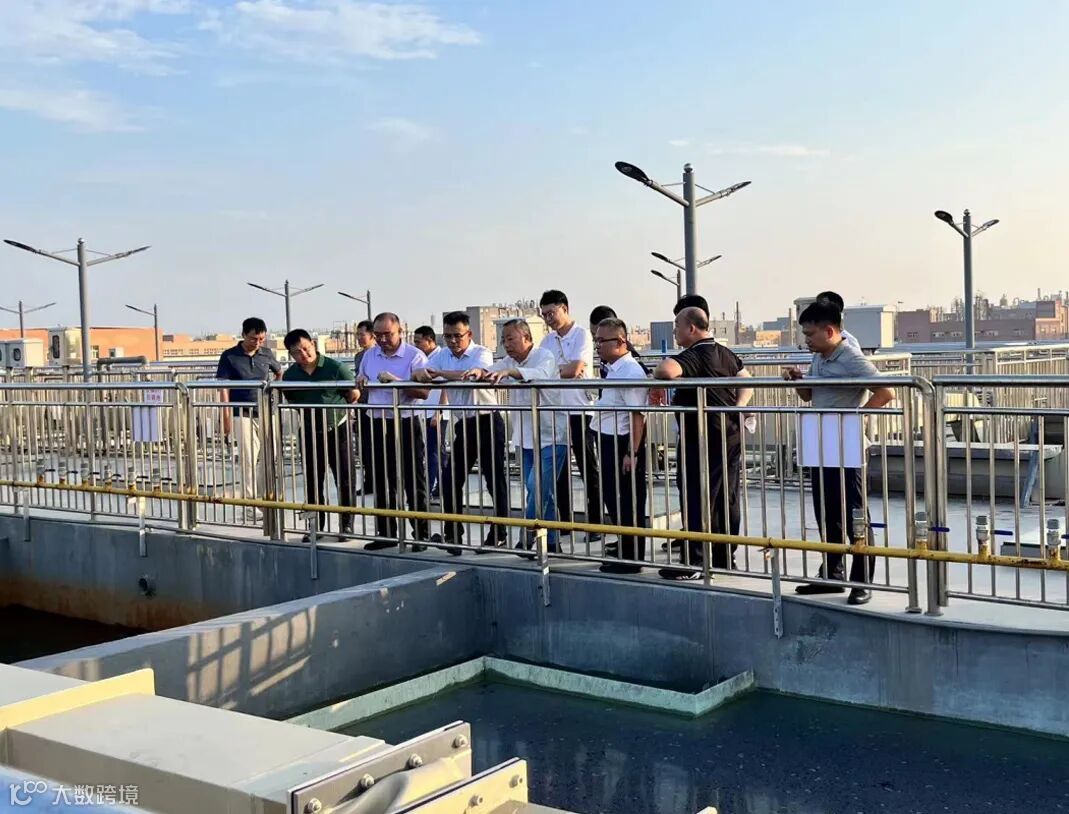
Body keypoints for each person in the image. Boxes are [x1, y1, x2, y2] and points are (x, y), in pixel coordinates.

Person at [783, 301, 894, 605]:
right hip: (821, 439)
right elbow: (809, 396)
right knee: (826, 511)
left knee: (854, 513)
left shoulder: (851, 357)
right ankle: (832, 573)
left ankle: (862, 581)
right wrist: (798, 380)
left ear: (830, 331)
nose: (806, 340)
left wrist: (854, 418)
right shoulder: (820, 357)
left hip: (845, 441)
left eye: (810, 334)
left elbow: (886, 392)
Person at [654, 307, 754, 580]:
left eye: (677, 325)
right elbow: (746, 379)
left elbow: (664, 370)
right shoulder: (726, 353)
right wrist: (738, 407)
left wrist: (682, 379)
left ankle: (696, 561)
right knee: (726, 496)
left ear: (691, 328)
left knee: (697, 494)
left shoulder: (695, 354)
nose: (674, 331)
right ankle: (724, 556)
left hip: (702, 436)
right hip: (729, 433)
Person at [465, 319, 568, 554]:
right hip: (525, 438)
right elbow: (491, 370)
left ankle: (526, 536)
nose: (506, 344)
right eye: (503, 340)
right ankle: (552, 543)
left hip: (552, 435)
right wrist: (480, 372)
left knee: (536, 487)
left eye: (510, 339)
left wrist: (510, 372)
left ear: (527, 338)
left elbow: (539, 375)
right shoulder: (508, 361)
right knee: (541, 493)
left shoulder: (544, 356)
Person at [416, 311, 508, 554]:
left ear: (469, 334)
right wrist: (422, 374)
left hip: (487, 421)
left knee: (494, 480)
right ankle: (453, 534)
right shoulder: (442, 355)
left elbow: (472, 375)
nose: (453, 341)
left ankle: (499, 534)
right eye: (448, 336)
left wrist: (440, 375)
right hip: (463, 425)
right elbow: (422, 374)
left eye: (457, 335)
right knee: (450, 480)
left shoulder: (481, 353)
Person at [357, 313, 431, 548]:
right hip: (377, 422)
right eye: (378, 335)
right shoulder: (370, 355)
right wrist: (360, 379)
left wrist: (396, 381)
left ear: (400, 332)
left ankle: (421, 534)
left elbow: (424, 392)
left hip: (405, 422)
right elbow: (362, 381)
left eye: (387, 334)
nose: (382, 339)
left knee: (413, 479)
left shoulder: (415, 356)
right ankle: (386, 533)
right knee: (381, 480)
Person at [280, 330, 359, 539]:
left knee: (345, 479)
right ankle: (315, 526)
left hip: (338, 429)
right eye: (297, 352)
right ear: (291, 354)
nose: (303, 355)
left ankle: (347, 525)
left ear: (313, 344)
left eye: (306, 348)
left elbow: (353, 394)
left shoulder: (335, 368)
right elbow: (291, 400)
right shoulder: (290, 376)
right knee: (313, 481)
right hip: (309, 431)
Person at [538, 290, 603, 539]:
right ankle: (565, 521)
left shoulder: (582, 335)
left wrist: (552, 372)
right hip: (556, 412)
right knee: (560, 470)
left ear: (564, 308)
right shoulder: (547, 341)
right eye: (544, 315)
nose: (548, 319)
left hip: (580, 410)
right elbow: (542, 370)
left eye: (551, 313)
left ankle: (595, 525)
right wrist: (557, 371)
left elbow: (575, 369)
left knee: (588, 468)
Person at [592, 318, 649, 574]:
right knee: (614, 498)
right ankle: (625, 551)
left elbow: (637, 415)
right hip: (608, 439)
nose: (598, 346)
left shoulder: (630, 371)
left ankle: (632, 558)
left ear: (620, 341)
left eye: (602, 341)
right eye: (596, 341)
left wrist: (631, 452)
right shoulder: (613, 368)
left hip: (622, 442)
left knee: (627, 501)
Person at [215, 317, 282, 522]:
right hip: (242, 412)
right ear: (243, 335)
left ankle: (265, 498)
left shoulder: (266, 353)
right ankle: (250, 505)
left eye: (261, 339)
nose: (257, 342)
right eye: (253, 338)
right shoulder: (229, 356)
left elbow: (279, 372)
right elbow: (223, 387)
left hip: (266, 411)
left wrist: (275, 393)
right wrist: (226, 416)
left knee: (270, 456)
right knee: (248, 459)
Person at [412, 326, 448, 499]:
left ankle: (430, 488)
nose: (416, 345)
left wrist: (438, 412)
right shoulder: (424, 359)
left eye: (418, 342)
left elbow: (445, 388)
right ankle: (441, 486)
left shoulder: (440, 357)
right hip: (425, 411)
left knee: (434, 451)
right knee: (435, 452)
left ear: (429, 340)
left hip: (436, 413)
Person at [351, 319, 375, 497]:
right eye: (357, 335)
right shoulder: (359, 356)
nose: (359, 338)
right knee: (365, 447)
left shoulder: (378, 354)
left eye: (362, 335)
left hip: (378, 406)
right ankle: (370, 481)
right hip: (363, 405)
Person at [589, 305, 647, 374]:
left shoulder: (631, 368)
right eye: (593, 335)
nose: (596, 344)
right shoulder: (608, 359)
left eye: (601, 339)